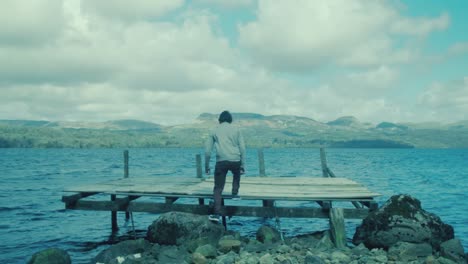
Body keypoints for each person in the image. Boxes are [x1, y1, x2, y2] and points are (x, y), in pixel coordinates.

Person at [205, 110, 246, 222]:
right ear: (230, 120)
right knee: (236, 174)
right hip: (235, 159)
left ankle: (216, 215)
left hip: (221, 161)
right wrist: (242, 164)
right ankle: (235, 193)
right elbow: (242, 148)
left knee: (218, 188)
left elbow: (208, 151)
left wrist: (206, 166)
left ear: (220, 120)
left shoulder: (214, 130)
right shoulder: (237, 130)